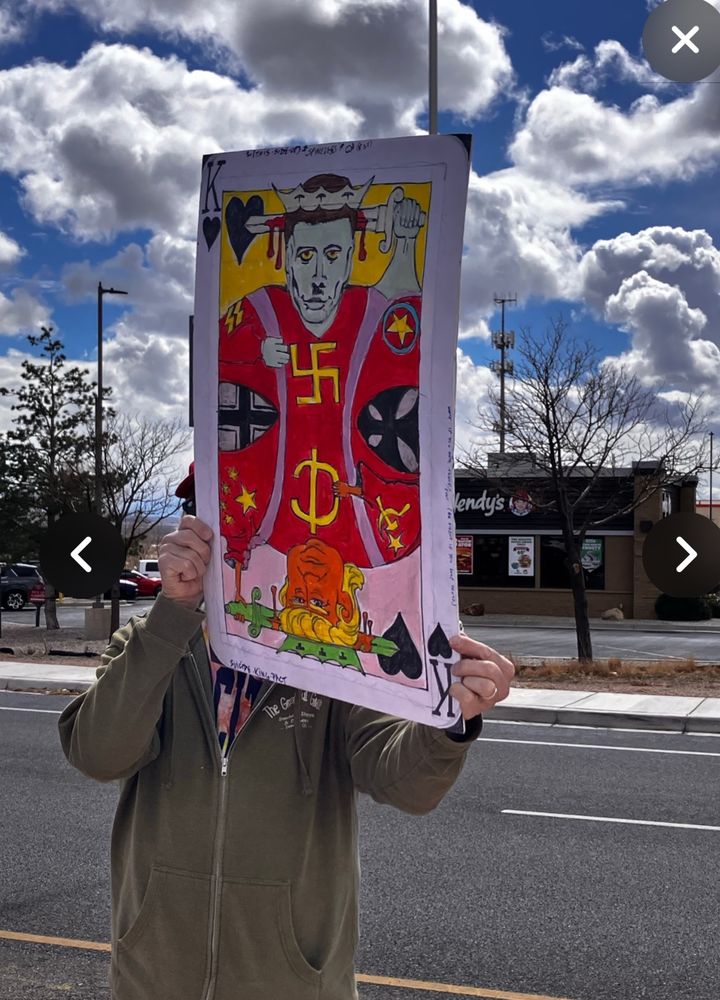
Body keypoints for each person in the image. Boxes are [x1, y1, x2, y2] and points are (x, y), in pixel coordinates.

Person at [59, 472, 515, 1000]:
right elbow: (97, 753)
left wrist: (450, 720)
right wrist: (171, 614)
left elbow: (404, 784)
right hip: (155, 977)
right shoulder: (148, 642)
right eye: (215, 513)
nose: (240, 536)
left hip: (294, 981)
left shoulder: (339, 653)